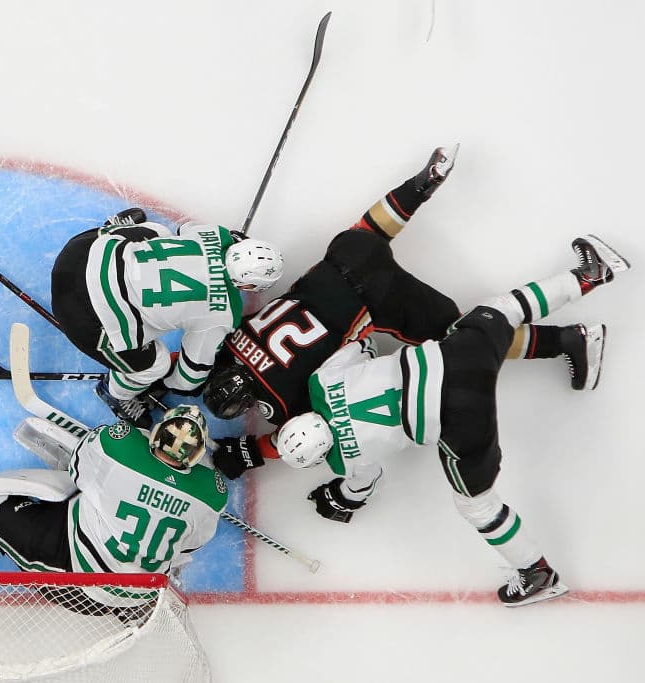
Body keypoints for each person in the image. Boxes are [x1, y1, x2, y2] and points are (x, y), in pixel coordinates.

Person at [249, 235, 630, 606]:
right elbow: (360, 346)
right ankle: (589, 278)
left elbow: (362, 487)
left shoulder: (345, 460)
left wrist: (340, 499)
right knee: (504, 310)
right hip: (455, 359)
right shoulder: (321, 382)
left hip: (460, 419)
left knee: (477, 505)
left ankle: (537, 573)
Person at [204, 145, 605, 475]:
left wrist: (249, 454)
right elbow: (202, 348)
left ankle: (569, 339)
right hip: (337, 268)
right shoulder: (233, 340)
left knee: (470, 337)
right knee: (367, 232)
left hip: (377, 302)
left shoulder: (282, 402)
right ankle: (422, 184)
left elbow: (302, 434)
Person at [0, 405, 227, 610]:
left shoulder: (120, 448)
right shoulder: (211, 495)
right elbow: (190, 545)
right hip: (138, 599)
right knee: (87, 508)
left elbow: (77, 467)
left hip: (75, 580)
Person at [50, 208, 284, 429]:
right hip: (83, 318)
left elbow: (186, 229)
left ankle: (114, 227)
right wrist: (165, 383)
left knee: (161, 233)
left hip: (76, 255)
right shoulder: (223, 312)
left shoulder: (216, 233)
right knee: (155, 365)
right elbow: (189, 376)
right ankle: (114, 394)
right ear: (246, 284)